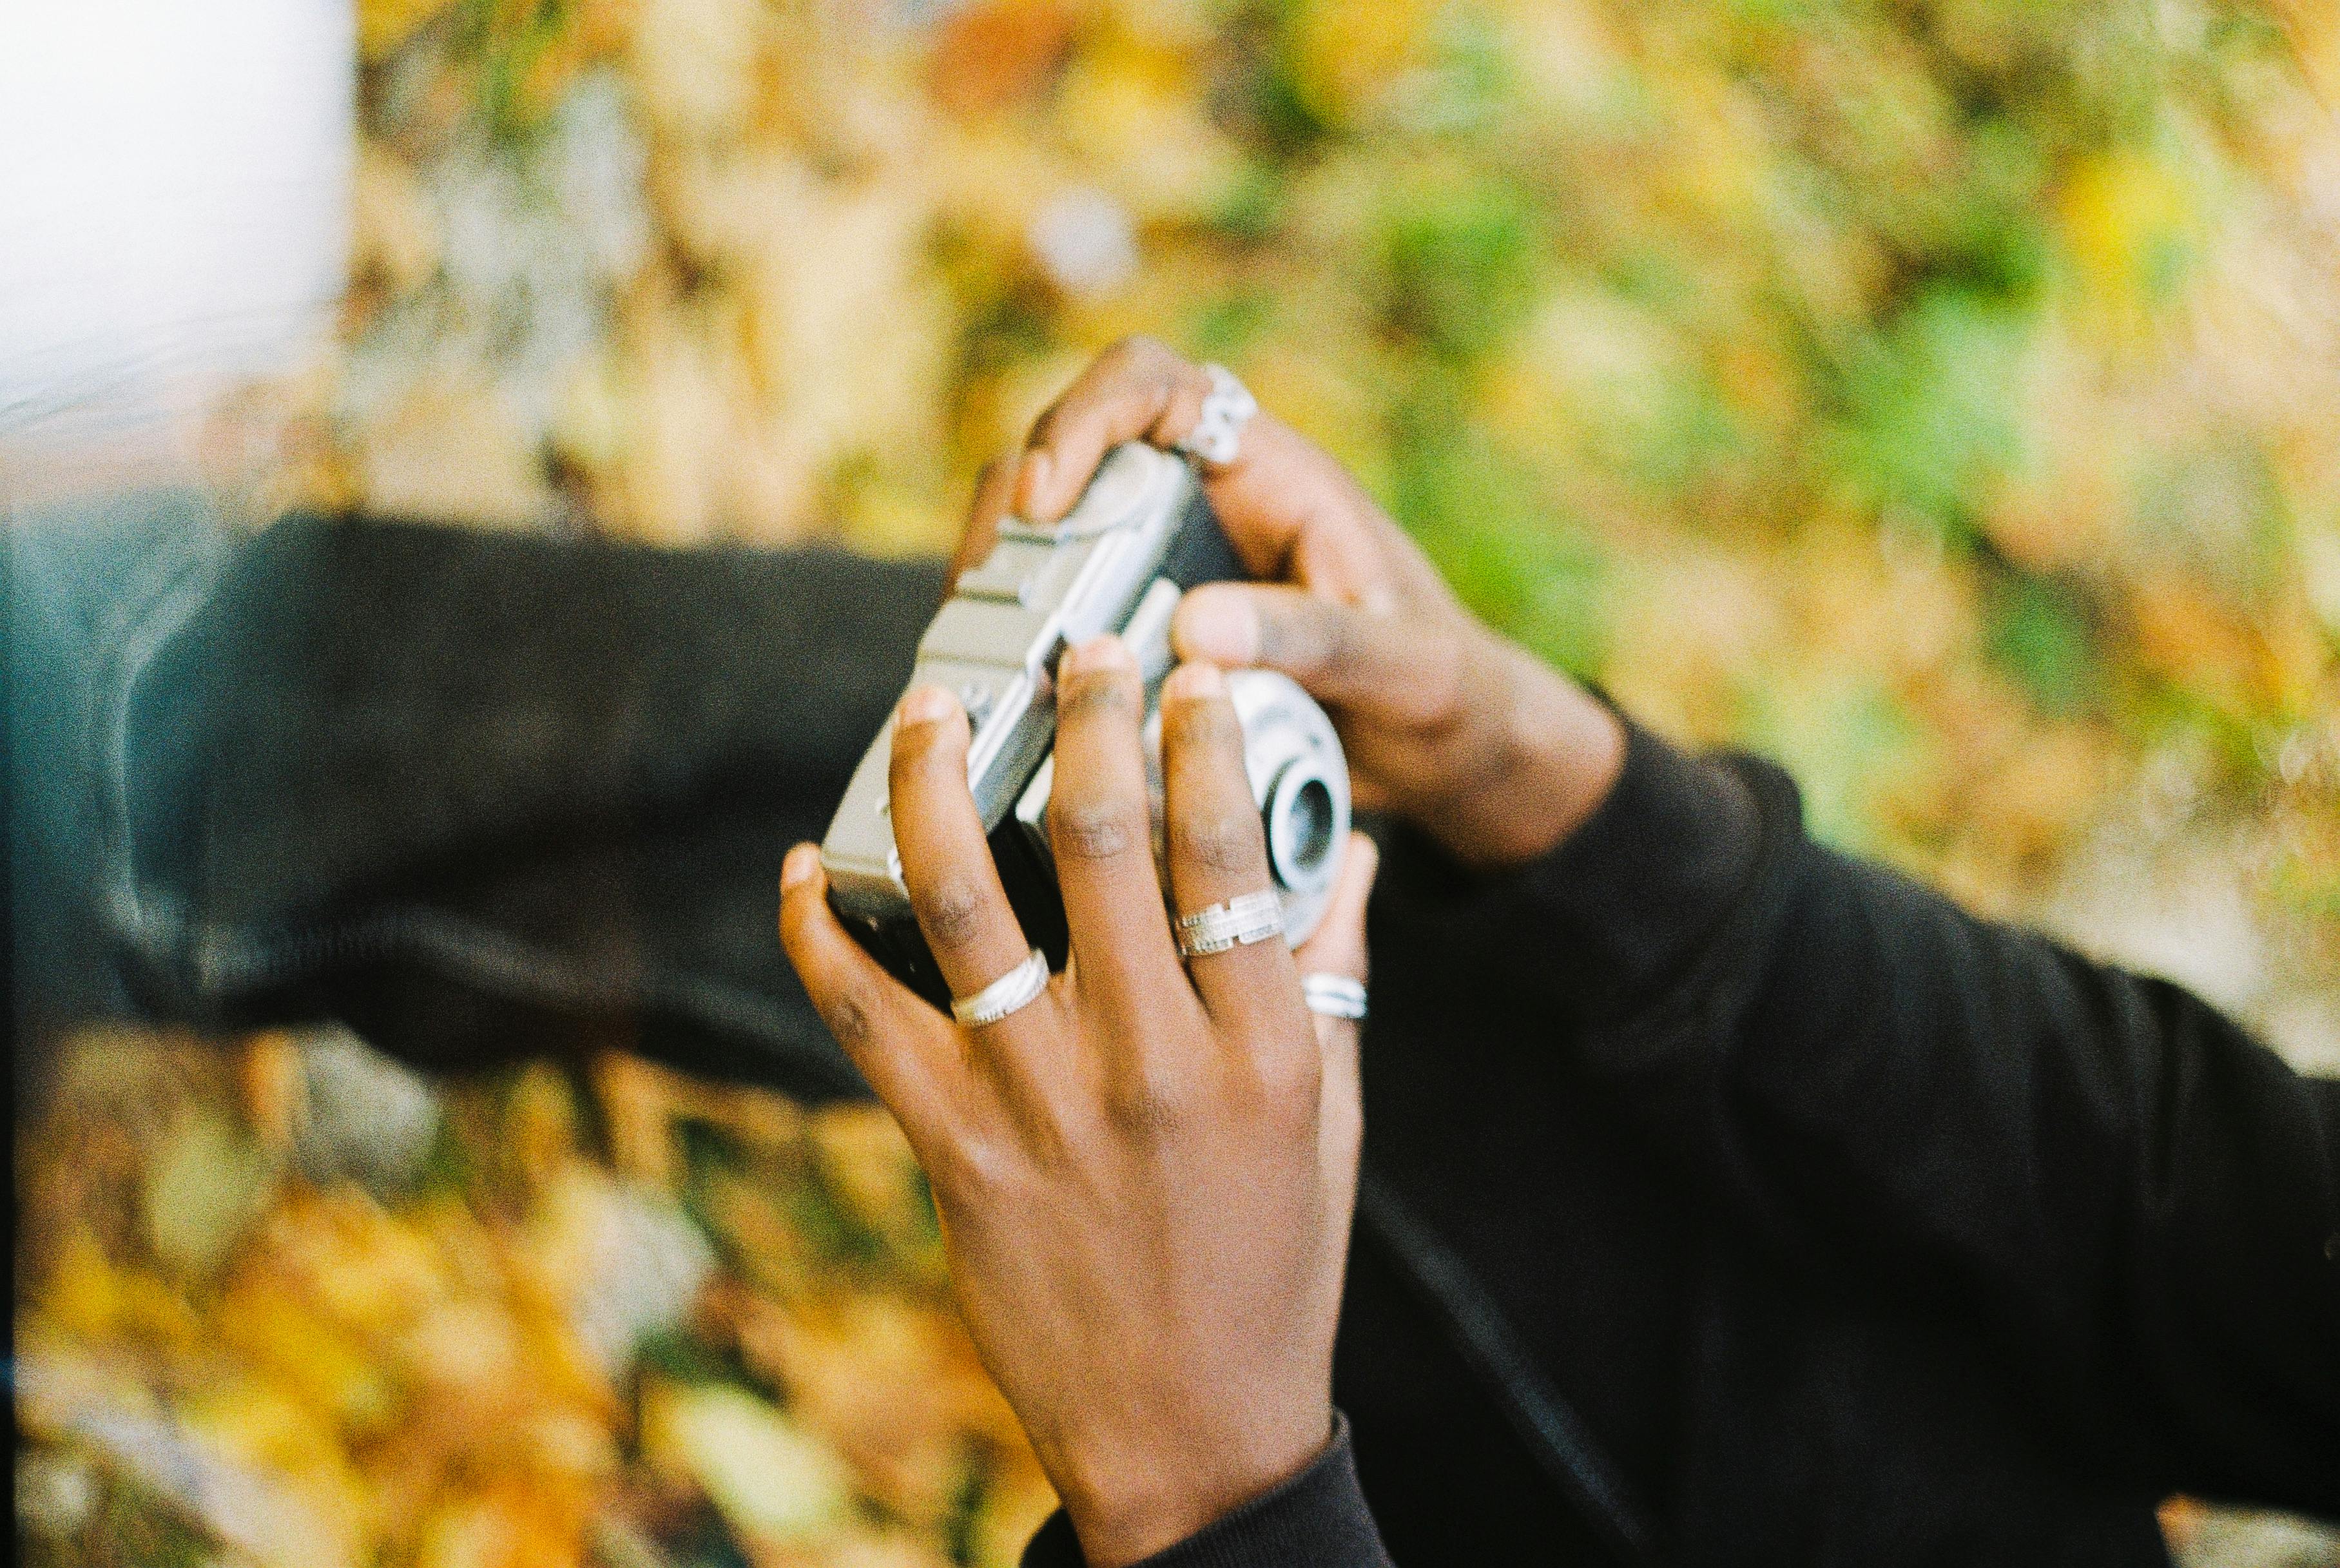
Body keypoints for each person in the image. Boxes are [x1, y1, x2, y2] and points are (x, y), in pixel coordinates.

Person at [776, 340, 2340, 1567]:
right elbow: (2183, 1196)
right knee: (995, 766)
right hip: (1823, 1354)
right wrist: (1548, 783)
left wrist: (1207, 1499)